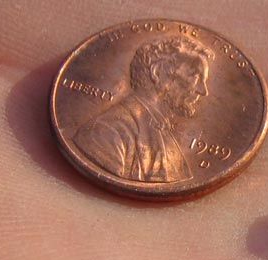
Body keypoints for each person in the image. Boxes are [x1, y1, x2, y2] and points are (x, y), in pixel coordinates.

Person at [73, 37, 214, 182]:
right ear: (158, 72)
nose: (203, 91)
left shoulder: (163, 131)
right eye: (195, 76)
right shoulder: (106, 132)